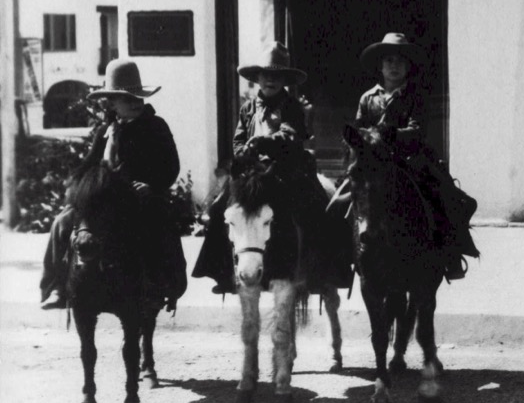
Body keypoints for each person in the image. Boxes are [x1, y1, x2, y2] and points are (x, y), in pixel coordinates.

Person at [41, 58, 185, 310]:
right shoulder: (104, 132)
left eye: (137, 97)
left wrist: (153, 186)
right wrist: (83, 182)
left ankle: (164, 285)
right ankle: (58, 287)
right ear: (112, 103)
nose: (135, 102)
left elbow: (171, 167)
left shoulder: (156, 127)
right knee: (62, 223)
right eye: (126, 98)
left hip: (141, 197)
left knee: (162, 223)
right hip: (104, 201)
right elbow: (87, 167)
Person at [193, 43, 329, 293]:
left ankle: (315, 271)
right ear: (257, 78)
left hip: (284, 171)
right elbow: (238, 137)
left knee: (316, 205)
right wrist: (242, 150)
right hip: (252, 172)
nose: (271, 80)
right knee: (218, 208)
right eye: (266, 75)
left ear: (285, 80)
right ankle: (223, 272)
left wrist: (267, 141)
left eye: (277, 76)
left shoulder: (292, 107)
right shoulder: (248, 108)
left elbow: (290, 135)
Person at [354, 32, 479, 280]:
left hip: (411, 161)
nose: (394, 66)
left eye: (400, 61)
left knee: (450, 198)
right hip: (376, 163)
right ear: (380, 66)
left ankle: (452, 254)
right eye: (389, 60)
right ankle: (348, 258)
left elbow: (417, 131)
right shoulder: (367, 98)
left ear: (408, 66)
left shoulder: (417, 96)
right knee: (343, 201)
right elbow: (359, 131)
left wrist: (391, 134)